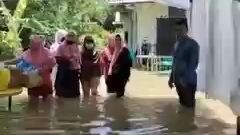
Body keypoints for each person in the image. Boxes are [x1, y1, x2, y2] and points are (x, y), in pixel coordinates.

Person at [168, 20, 199, 108]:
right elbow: (174, 63)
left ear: (186, 30)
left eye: (180, 30)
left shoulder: (193, 44)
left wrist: (184, 80)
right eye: (176, 30)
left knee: (188, 108)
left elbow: (193, 64)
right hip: (178, 81)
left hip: (188, 82)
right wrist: (171, 79)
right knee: (182, 106)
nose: (178, 33)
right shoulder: (177, 44)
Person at [22, 35, 56, 99]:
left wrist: (44, 69)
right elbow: (22, 65)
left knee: (47, 101)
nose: (31, 44)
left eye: (33, 43)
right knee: (33, 101)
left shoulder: (46, 52)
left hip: (44, 81)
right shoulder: (27, 53)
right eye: (31, 42)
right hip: (32, 81)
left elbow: (53, 62)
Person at [55, 32, 81, 98]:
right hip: (64, 70)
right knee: (62, 91)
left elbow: (78, 56)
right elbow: (57, 58)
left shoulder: (75, 45)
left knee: (75, 92)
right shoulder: (61, 46)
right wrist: (67, 59)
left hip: (74, 70)